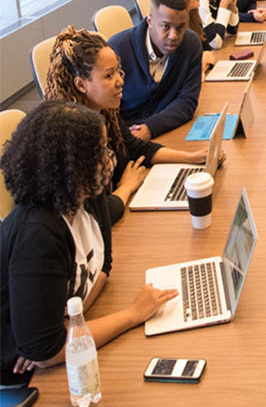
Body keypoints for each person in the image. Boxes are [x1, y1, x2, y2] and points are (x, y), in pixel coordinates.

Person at [0, 101, 177, 387]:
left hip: (58, 340)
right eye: (99, 153)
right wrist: (132, 314)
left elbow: (104, 266)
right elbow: (45, 352)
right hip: (23, 376)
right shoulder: (38, 234)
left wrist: (73, 324)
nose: (109, 159)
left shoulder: (84, 194)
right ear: (71, 167)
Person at [44, 27, 208, 224]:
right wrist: (126, 187)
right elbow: (91, 218)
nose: (120, 81)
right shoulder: (70, 138)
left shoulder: (105, 112)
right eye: (108, 76)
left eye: (118, 72)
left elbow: (137, 148)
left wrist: (192, 158)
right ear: (81, 85)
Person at [108, 0, 202, 141]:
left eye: (180, 27)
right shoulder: (116, 49)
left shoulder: (191, 44)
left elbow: (187, 101)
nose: (174, 36)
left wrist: (150, 128)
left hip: (166, 132)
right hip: (125, 138)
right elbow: (104, 110)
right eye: (165, 26)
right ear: (150, 22)